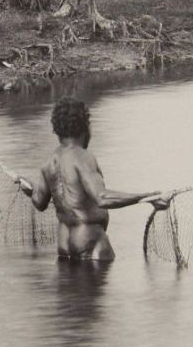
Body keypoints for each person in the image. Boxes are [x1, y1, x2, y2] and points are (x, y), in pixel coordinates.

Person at [19, 98, 164, 261]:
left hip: (64, 247)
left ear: (57, 130)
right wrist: (145, 197)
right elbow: (102, 198)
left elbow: (39, 202)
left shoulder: (49, 163)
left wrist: (29, 189)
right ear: (84, 127)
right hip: (89, 243)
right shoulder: (82, 156)